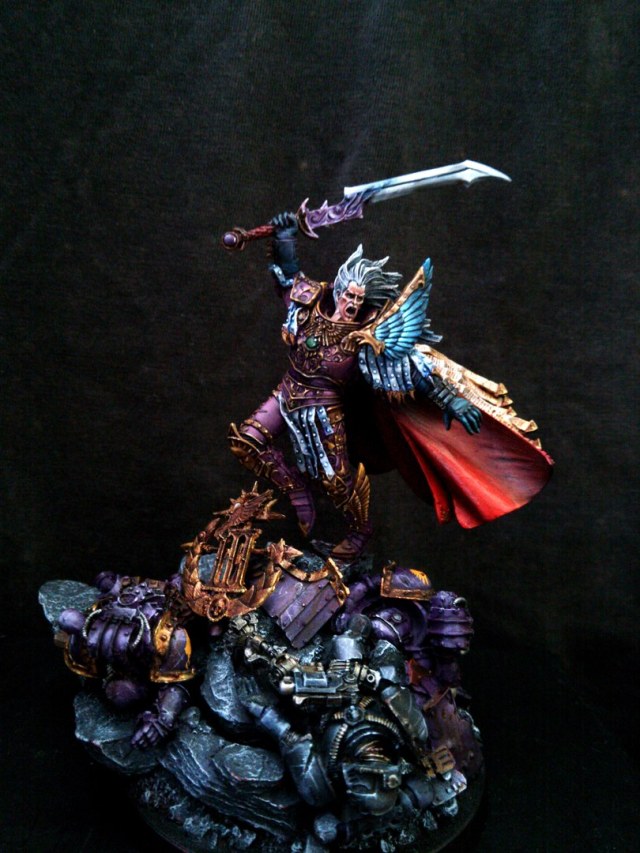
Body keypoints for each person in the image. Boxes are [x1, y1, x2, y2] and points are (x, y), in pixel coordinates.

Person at [229, 213, 552, 561]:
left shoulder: (366, 338)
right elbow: (289, 273)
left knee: (337, 483)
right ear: (338, 290)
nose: (353, 304)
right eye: (349, 296)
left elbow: (411, 371)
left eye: (359, 299)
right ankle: (297, 490)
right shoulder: (308, 304)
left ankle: (360, 530)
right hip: (287, 392)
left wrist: (449, 400)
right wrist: (284, 237)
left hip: (323, 410)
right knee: (246, 442)